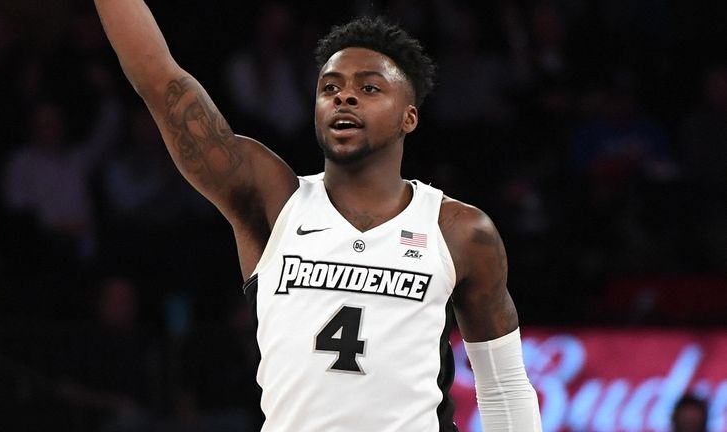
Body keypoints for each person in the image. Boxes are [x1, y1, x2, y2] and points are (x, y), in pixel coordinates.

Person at [94, 1, 542, 430]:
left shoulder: (459, 231)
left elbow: (503, 388)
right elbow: (159, 79)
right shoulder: (272, 201)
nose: (344, 96)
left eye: (369, 87)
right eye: (330, 87)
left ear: (409, 117)